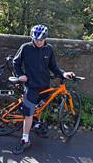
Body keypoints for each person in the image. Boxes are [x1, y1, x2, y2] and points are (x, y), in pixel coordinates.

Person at [12, 24, 74, 154]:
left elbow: (53, 67)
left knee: (42, 107)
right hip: (31, 86)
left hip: (45, 85)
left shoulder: (49, 49)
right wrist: (20, 75)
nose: (38, 42)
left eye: (41, 40)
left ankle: (38, 125)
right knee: (28, 114)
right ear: (32, 38)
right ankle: (25, 139)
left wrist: (63, 73)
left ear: (45, 38)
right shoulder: (26, 48)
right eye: (36, 40)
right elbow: (16, 63)